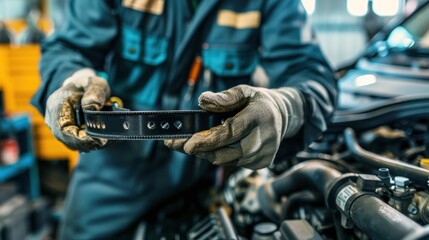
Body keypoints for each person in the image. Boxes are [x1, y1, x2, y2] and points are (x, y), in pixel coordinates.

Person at [31, 0, 337, 239]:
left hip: (203, 185)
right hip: (108, 184)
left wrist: (286, 108)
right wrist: (69, 80)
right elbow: (69, 47)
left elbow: (312, 76)